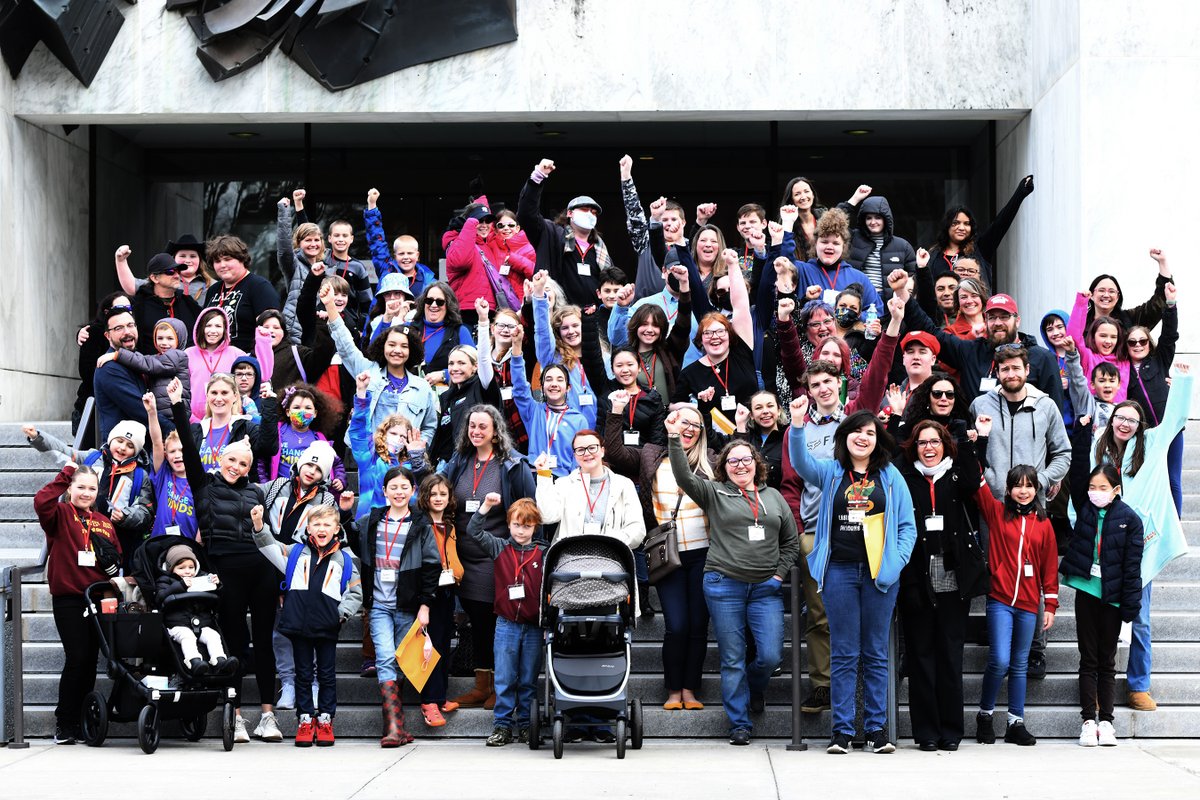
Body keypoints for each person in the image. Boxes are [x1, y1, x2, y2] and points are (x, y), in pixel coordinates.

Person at [786, 400, 917, 755]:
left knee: (875, 653)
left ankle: (876, 730)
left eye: (871, 432)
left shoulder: (890, 476)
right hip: (840, 571)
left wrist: (894, 565)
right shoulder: (830, 472)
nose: (864, 437)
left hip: (879, 575)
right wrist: (797, 425)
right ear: (844, 437)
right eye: (857, 431)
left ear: (879, 440)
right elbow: (800, 463)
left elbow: (907, 527)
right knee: (843, 653)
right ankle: (841, 732)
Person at [665, 410, 799, 746]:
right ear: (724, 468)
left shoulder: (773, 498)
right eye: (732, 461)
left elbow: (791, 542)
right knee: (732, 655)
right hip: (724, 585)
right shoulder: (714, 492)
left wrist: (778, 575)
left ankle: (754, 688)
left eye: (746, 459)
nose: (740, 465)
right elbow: (683, 476)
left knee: (768, 656)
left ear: (757, 463)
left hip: (765, 589)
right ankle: (739, 723)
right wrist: (672, 438)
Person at [170, 378, 282, 744]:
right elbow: (188, 446)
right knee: (234, 642)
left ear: (250, 467)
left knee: (263, 641)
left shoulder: (256, 491)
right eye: (231, 460)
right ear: (220, 459)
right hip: (225, 570)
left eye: (243, 462)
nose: (236, 466)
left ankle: (268, 715)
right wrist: (177, 407)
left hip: (260, 570)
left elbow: (267, 538)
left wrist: (268, 406)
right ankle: (234, 714)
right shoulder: (205, 485)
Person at [1089, 366, 1193, 712]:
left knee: (1142, 619)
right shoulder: (1098, 449)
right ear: (1113, 418)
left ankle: (1139, 685)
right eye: (1121, 417)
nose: (1125, 423)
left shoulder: (1151, 443)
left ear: (1139, 425)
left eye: (1133, 420)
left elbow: (1177, 418)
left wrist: (1181, 382)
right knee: (1102, 619)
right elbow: (1089, 491)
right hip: (1104, 546)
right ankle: (1097, 684)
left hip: (1139, 545)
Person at [605, 403, 716, 713]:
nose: (690, 428)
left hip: (704, 554)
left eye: (696, 424)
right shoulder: (653, 454)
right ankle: (672, 689)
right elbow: (615, 454)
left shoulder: (710, 461)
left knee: (698, 625)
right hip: (666, 552)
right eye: (684, 422)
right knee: (677, 625)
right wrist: (615, 412)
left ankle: (689, 689)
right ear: (671, 425)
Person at [895, 420, 988, 751]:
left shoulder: (957, 474)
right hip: (917, 575)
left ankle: (951, 730)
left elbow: (973, 476)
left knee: (950, 655)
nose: (929, 448)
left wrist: (963, 440)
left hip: (953, 573)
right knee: (921, 656)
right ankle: (926, 732)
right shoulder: (905, 478)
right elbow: (894, 457)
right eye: (922, 443)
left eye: (935, 442)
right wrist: (896, 423)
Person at [440, 405, 537, 710]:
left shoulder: (512, 465)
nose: (476, 431)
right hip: (461, 556)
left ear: (496, 432)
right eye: (472, 426)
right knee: (477, 622)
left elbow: (527, 508)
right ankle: (482, 686)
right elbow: (436, 491)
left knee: (491, 621)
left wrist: (514, 550)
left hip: (495, 557)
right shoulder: (460, 461)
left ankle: (498, 685)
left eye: (483, 426)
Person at [968, 446, 1058, 747]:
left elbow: (1048, 567)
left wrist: (1051, 605)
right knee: (1000, 659)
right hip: (1001, 600)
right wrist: (974, 444)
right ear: (1008, 489)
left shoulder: (1044, 525)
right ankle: (985, 715)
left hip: (1030, 604)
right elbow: (978, 484)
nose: (1023, 491)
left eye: (1029, 485)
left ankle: (1015, 722)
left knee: (1020, 663)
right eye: (1018, 485)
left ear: (1036, 489)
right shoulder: (997, 513)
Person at [254, 502, 361, 747]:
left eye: (327, 524)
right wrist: (260, 525)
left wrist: (341, 614)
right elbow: (269, 546)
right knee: (302, 674)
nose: (321, 529)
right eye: (317, 524)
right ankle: (304, 719)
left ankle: (324, 719)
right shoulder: (294, 553)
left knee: (326, 674)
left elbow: (355, 594)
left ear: (336, 529)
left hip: (327, 626)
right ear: (308, 527)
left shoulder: (345, 560)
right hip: (298, 626)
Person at [34, 461, 121, 744]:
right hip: (69, 597)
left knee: (90, 661)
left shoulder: (104, 522)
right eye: (80, 487)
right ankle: (65, 722)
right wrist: (66, 473)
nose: (86, 493)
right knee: (77, 657)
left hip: (98, 597)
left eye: (91, 488)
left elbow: (116, 556)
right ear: (70, 488)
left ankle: (83, 722)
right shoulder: (59, 514)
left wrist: (114, 567)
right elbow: (41, 500)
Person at [353, 465, 440, 746]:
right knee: (385, 657)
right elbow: (351, 541)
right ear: (384, 491)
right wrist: (344, 513)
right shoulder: (372, 520)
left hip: (407, 604)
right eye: (394, 487)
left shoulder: (421, 524)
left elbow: (431, 567)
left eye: (405, 487)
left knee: (401, 659)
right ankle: (393, 728)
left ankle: (397, 727)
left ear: (413, 491)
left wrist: (425, 606)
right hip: (378, 604)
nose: (399, 492)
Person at [1061, 464, 1144, 747]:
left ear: (1116, 489)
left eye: (1103, 488)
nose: (1096, 493)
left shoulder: (1130, 519)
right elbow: (1079, 465)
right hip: (1086, 590)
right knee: (1088, 658)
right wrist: (1083, 430)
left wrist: (1131, 605)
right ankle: (1087, 721)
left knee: (1107, 661)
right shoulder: (1085, 508)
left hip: (1112, 597)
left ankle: (1107, 722)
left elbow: (1133, 568)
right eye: (1092, 487)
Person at [465, 494, 545, 746]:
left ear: (535, 526)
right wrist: (486, 506)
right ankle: (501, 725)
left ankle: (526, 724)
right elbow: (473, 530)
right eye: (517, 525)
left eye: (527, 525)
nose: (521, 531)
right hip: (506, 624)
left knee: (528, 678)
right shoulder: (500, 547)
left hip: (534, 626)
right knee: (504, 676)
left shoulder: (544, 553)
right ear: (509, 524)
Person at [25, 419, 154, 567]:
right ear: (111, 439)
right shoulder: (91, 458)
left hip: (113, 537)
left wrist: (125, 516)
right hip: (79, 530)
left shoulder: (140, 475)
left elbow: (145, 511)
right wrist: (38, 437)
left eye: (130, 446)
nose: (123, 447)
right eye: (119, 441)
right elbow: (63, 452)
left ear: (136, 452)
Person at [322, 283, 439, 445]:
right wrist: (330, 305)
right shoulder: (368, 371)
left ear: (412, 351)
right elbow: (345, 345)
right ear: (382, 347)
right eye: (391, 345)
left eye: (404, 346)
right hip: (369, 459)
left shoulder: (422, 387)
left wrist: (420, 445)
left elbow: (430, 426)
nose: (397, 350)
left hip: (406, 465)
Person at [905, 292, 1065, 408]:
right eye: (992, 317)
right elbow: (932, 332)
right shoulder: (971, 352)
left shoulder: (1042, 358)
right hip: (979, 447)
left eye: (1004, 316)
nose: (997, 322)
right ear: (985, 320)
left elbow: (1054, 411)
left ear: (1017, 321)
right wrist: (904, 295)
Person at [672, 251, 756, 424]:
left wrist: (732, 265)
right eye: (708, 333)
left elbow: (740, 305)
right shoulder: (690, 373)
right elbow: (672, 405)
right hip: (713, 441)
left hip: (750, 432)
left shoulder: (742, 351)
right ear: (700, 339)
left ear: (729, 334)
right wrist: (697, 407)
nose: (714, 337)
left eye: (720, 332)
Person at [517, 157, 614, 307]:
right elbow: (526, 214)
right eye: (584, 209)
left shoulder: (599, 247)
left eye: (593, 212)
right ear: (569, 213)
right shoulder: (551, 234)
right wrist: (538, 177)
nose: (589, 214)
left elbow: (611, 281)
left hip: (593, 317)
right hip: (559, 315)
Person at [1123, 280, 1181, 513]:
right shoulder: (1122, 370)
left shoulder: (1159, 360)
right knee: (1147, 481)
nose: (1138, 345)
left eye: (1142, 341)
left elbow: (1169, 335)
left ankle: (1174, 526)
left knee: (1172, 479)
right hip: (1143, 434)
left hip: (1170, 429)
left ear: (1149, 343)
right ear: (1126, 345)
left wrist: (1171, 305)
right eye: (1132, 342)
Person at [534, 429, 646, 548]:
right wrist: (543, 475)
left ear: (602, 451)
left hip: (611, 558)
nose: (587, 453)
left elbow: (637, 529)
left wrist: (609, 543)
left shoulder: (624, 484)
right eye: (580, 450)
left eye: (592, 448)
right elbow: (546, 516)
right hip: (571, 559)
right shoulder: (564, 484)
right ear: (575, 456)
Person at [509, 325, 589, 478]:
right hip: (535, 476)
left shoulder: (579, 420)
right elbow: (520, 388)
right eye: (549, 379)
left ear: (568, 387)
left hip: (565, 481)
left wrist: (571, 483)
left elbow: (579, 458)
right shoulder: (534, 411)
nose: (554, 384)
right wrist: (517, 346)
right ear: (542, 386)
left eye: (560, 380)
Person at [414, 474, 463, 727]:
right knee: (429, 648)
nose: (439, 498)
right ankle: (429, 701)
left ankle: (441, 696)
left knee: (443, 644)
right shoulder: (420, 525)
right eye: (433, 494)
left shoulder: (450, 526)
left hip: (447, 591)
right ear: (425, 497)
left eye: (443, 494)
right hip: (428, 592)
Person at [926, 175, 1034, 287]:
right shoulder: (934, 256)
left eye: (967, 224)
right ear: (947, 227)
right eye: (955, 223)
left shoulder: (980, 249)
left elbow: (1001, 223)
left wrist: (1020, 194)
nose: (961, 228)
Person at [429, 300, 502, 466]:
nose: (455, 368)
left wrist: (483, 322)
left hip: (472, 464)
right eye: (451, 363)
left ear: (474, 367)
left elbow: (484, 358)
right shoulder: (447, 396)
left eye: (461, 363)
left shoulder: (482, 387)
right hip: (445, 465)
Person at [93, 305, 173, 440]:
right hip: (122, 451)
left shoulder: (137, 359)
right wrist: (176, 431)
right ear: (107, 335)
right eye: (119, 328)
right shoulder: (109, 368)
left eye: (130, 325)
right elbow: (141, 409)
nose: (127, 332)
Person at [155, 543, 231, 674]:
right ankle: (193, 661)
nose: (187, 571)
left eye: (191, 567)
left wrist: (217, 585)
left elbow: (217, 598)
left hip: (201, 623)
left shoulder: (201, 578)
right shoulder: (165, 580)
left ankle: (219, 660)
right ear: (171, 568)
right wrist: (179, 586)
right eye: (181, 568)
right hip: (177, 625)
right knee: (187, 636)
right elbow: (159, 597)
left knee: (213, 635)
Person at [202, 234, 281, 353]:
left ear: (242, 259)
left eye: (228, 259)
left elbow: (270, 331)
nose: (222, 265)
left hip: (245, 363)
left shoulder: (260, 287)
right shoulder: (213, 290)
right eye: (217, 261)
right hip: (213, 359)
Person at [190, 372, 280, 477]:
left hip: (235, 492)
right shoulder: (197, 430)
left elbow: (269, 448)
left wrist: (269, 405)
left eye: (224, 393)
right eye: (214, 393)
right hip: (202, 492)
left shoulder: (245, 428)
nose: (218, 399)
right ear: (207, 396)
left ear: (235, 396)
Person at [795, 208, 884, 313]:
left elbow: (877, 311)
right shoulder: (802, 270)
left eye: (836, 243)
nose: (829, 247)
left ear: (844, 247)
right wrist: (787, 224)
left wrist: (853, 317)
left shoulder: (859, 278)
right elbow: (780, 262)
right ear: (815, 244)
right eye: (824, 242)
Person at [106, 317, 191, 419]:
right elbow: (143, 360)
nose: (164, 342)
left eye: (170, 338)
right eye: (160, 338)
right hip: (163, 412)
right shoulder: (158, 358)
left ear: (180, 339)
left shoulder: (178, 355)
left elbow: (147, 365)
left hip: (174, 414)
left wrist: (118, 355)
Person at [140, 392, 196, 539]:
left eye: (181, 450)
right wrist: (152, 412)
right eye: (172, 451)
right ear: (166, 456)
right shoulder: (163, 475)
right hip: (160, 543)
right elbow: (157, 442)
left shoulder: (199, 480)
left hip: (188, 545)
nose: (177, 455)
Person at [837, 187, 917, 290]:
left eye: (878, 218)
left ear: (886, 219)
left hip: (891, 303)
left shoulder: (903, 246)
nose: (873, 222)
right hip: (858, 300)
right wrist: (855, 199)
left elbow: (914, 278)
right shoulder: (853, 238)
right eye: (868, 218)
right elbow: (834, 223)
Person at [365, 188, 437, 298]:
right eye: (401, 254)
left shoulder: (428, 279)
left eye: (410, 253)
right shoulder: (387, 269)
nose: (406, 257)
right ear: (395, 256)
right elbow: (376, 241)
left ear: (417, 255)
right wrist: (372, 205)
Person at [124, 251, 201, 354]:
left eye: (178, 271)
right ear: (155, 278)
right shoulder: (139, 304)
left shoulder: (188, 302)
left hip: (186, 366)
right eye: (170, 272)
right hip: (148, 366)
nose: (177, 275)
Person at [1080, 248, 1173, 331]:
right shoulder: (1080, 323)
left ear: (1117, 297)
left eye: (1111, 291)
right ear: (1091, 295)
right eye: (1101, 290)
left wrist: (1162, 262)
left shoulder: (1129, 320)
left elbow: (1158, 304)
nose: (1106, 295)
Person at [410, 281, 476, 388]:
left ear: (448, 305)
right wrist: (387, 318)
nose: (434, 305)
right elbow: (378, 354)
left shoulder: (460, 331)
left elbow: (474, 367)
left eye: (440, 302)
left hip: (446, 396)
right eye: (429, 301)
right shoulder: (409, 328)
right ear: (423, 303)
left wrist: (444, 375)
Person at [115, 234, 214, 304]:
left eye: (193, 256)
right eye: (182, 256)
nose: (187, 260)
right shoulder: (164, 280)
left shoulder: (213, 285)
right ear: (173, 259)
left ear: (200, 260)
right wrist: (121, 261)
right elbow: (132, 286)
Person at [732, 391, 788, 490]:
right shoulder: (746, 437)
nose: (765, 411)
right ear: (752, 415)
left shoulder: (789, 436)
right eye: (758, 408)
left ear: (779, 410)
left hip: (779, 499)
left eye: (770, 406)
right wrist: (740, 423)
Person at [487, 207, 536, 305]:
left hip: (522, 301)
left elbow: (535, 274)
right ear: (496, 230)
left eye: (511, 225)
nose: (506, 228)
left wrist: (515, 260)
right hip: (500, 302)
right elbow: (487, 225)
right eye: (501, 225)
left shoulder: (529, 246)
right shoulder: (492, 245)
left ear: (517, 228)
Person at [779, 176, 828, 262]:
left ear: (813, 194)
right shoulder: (787, 224)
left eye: (806, 191)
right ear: (791, 199)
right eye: (797, 194)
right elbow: (784, 256)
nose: (803, 197)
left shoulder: (825, 218)